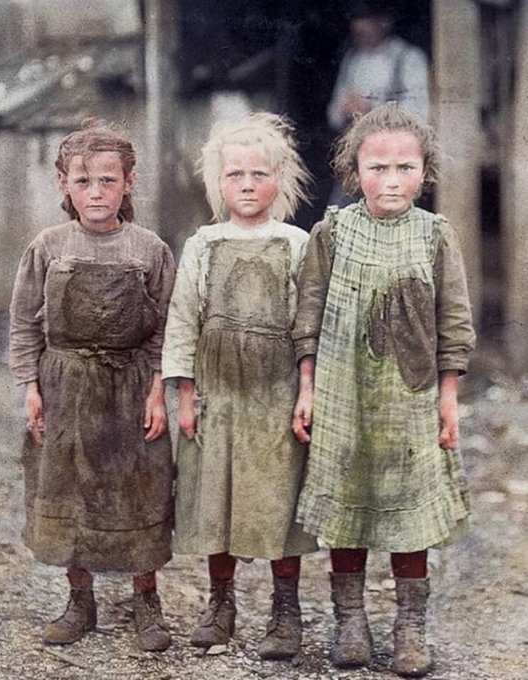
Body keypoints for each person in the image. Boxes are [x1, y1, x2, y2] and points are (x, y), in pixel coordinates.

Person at [292, 103, 475, 677]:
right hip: (343, 393)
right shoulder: (332, 232)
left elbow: (454, 324)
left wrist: (447, 398)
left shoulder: (435, 236)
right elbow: (307, 316)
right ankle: (350, 621)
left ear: (425, 172)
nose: (391, 180)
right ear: (354, 172)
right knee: (346, 504)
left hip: (409, 398)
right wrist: (307, 387)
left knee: (408, 510)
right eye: (377, 168)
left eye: (404, 168)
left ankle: (409, 626)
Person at [9, 121, 176, 652]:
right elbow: (24, 323)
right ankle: (80, 601)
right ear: (64, 184)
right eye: (83, 182)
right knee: (69, 490)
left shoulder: (149, 249)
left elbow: (166, 328)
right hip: (66, 386)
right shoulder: (48, 246)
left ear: (128, 183)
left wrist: (157, 391)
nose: (96, 192)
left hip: (130, 387)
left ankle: (146, 601)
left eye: (108, 180)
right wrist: (31, 386)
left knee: (139, 490)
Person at [162, 113, 318, 660]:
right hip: (218, 396)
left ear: (281, 179)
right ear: (217, 182)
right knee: (217, 498)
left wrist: (306, 389)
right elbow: (183, 320)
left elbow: (308, 324)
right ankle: (220, 604)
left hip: (275, 397)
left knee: (278, 499)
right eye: (235, 175)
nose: (247, 184)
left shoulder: (297, 244)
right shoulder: (202, 245)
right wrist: (185, 394)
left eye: (259, 173)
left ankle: (286, 609)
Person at [327, 1, 430, 207]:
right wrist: (345, 108)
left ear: (385, 21)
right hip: (358, 159)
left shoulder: (408, 58)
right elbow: (333, 115)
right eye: (356, 19)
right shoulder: (353, 59)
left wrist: (371, 112)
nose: (358, 26)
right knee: (341, 216)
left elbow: (420, 113)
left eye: (366, 19)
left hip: (396, 160)